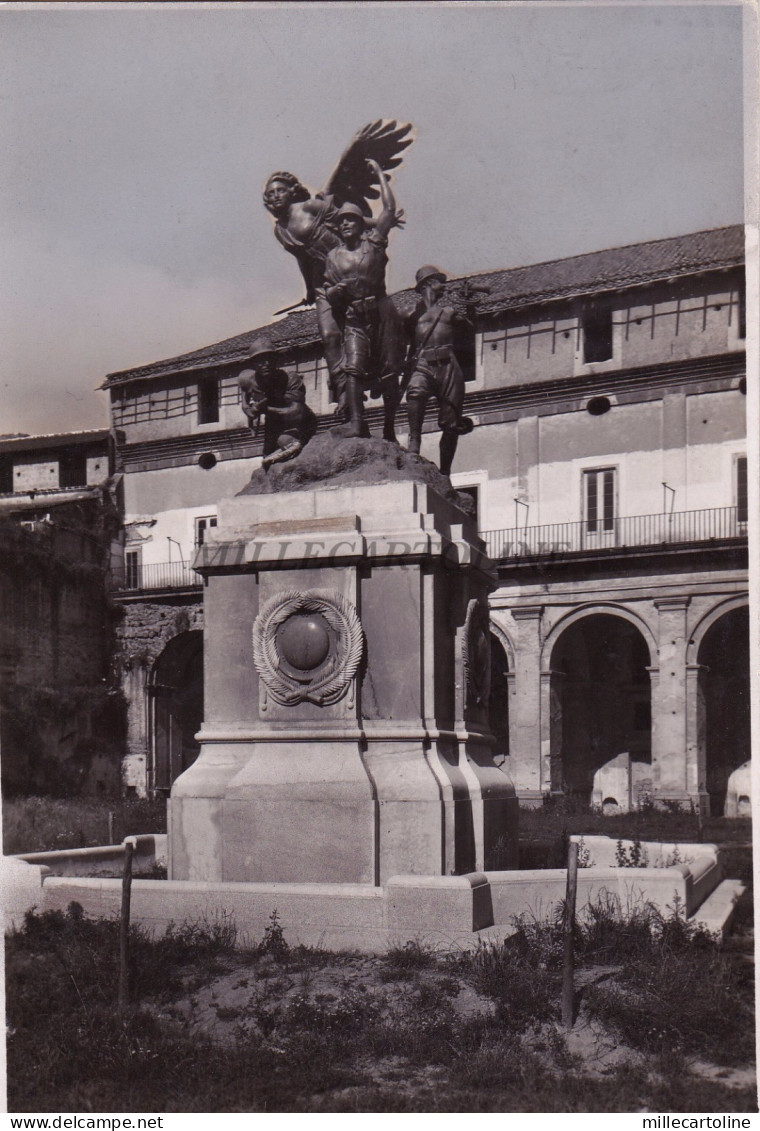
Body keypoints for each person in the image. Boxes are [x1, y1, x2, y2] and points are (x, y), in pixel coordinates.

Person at [320, 160, 404, 441]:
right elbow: (329, 293)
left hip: (382, 313)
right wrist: (338, 290)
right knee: (352, 369)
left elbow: (389, 210)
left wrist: (381, 175)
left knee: (391, 371)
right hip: (355, 317)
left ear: (359, 224)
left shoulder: (374, 242)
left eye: (350, 220)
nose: (345, 224)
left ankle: (389, 426)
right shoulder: (333, 257)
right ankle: (357, 423)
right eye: (341, 221)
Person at [403, 266, 474, 476]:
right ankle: (414, 442)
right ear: (427, 284)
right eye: (439, 281)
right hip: (423, 363)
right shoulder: (409, 313)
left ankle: (445, 473)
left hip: (448, 365)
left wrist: (470, 305)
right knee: (415, 392)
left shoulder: (449, 312)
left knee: (451, 425)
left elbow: (470, 329)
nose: (443, 286)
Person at [238, 336, 318, 469]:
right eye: (260, 361)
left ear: (276, 360)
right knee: (267, 460)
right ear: (253, 364)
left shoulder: (290, 378)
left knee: (285, 441)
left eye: (269, 359)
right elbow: (245, 403)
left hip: (300, 422)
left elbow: (297, 412)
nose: (266, 364)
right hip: (273, 423)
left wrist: (267, 409)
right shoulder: (248, 379)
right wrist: (250, 412)